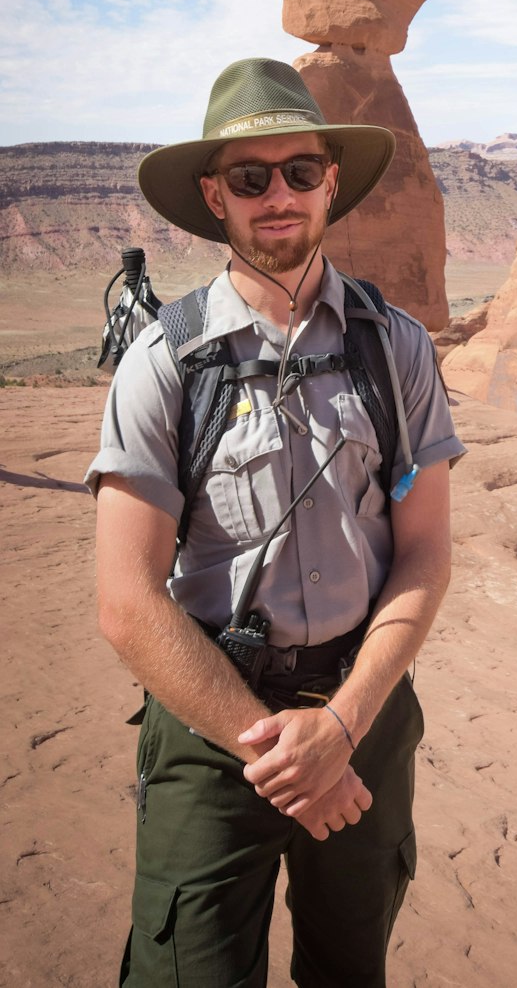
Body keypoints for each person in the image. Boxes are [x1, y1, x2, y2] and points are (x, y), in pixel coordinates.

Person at [87, 57, 463, 988]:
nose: (279, 196)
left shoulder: (397, 349)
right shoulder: (165, 365)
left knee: (350, 968)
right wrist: (281, 750)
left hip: (363, 711)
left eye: (300, 171)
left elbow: (425, 557)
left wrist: (339, 728)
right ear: (214, 195)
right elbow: (127, 602)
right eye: (251, 178)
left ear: (332, 182)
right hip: (212, 730)